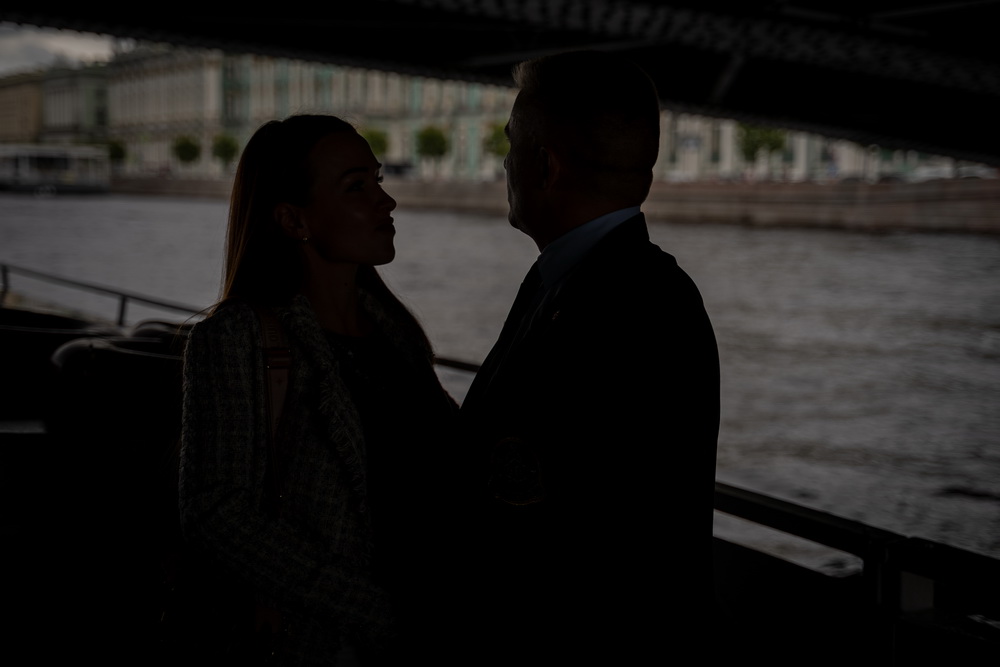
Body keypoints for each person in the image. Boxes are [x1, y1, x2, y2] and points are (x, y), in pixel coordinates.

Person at [457, 50, 722, 664]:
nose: (504, 163)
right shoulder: (628, 286)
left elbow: (542, 520)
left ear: (545, 166)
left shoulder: (614, 302)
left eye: (511, 144)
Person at [177, 113, 460, 666]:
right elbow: (214, 511)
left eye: (378, 180)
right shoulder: (238, 336)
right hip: (325, 644)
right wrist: (373, 610)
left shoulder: (393, 330)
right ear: (293, 219)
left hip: (434, 625)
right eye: (356, 187)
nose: (386, 201)